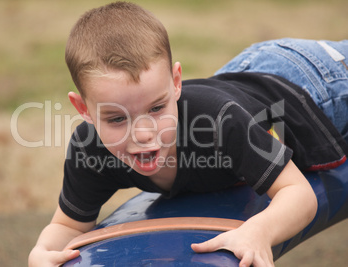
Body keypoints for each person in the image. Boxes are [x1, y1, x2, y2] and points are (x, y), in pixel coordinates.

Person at [28, 2, 348, 267]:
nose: (143, 134)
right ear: (82, 108)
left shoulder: (220, 125)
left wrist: (259, 231)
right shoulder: (89, 149)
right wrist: (41, 252)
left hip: (315, 81)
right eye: (116, 118)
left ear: (175, 82)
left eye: (156, 108)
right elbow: (68, 225)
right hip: (242, 81)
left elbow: (299, 195)